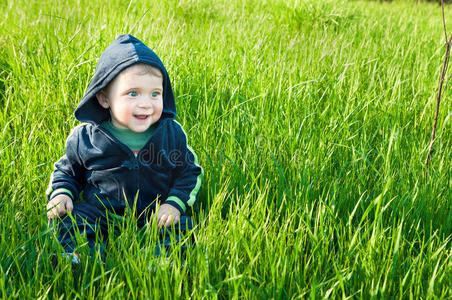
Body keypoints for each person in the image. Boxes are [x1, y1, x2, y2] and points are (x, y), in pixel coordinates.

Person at [45, 34, 203, 263]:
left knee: (184, 227)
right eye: (132, 93)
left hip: (154, 212)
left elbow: (189, 172)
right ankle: (81, 256)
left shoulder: (170, 134)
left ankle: (157, 258)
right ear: (104, 98)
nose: (145, 103)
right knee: (72, 219)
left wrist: (173, 204)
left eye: (155, 94)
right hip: (100, 211)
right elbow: (67, 171)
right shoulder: (86, 138)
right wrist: (61, 192)